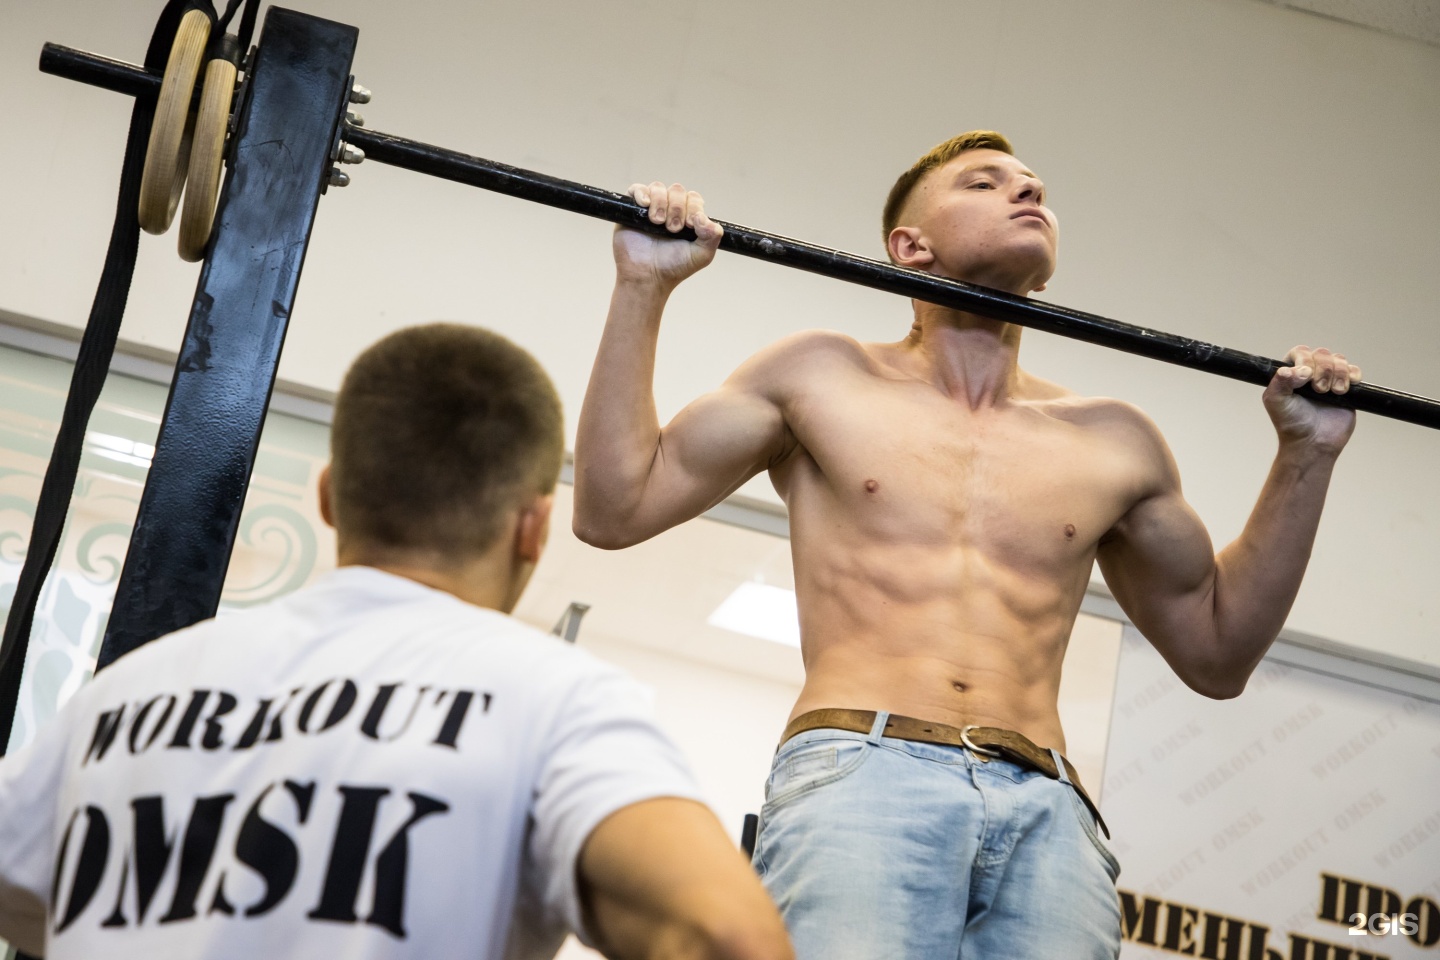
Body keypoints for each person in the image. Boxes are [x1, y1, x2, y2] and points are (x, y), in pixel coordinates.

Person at [572, 131, 1361, 959]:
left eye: (1034, 187)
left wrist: (1305, 455)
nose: (1028, 193)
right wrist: (643, 286)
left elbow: (1218, 653)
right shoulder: (818, 374)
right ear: (910, 247)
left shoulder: (1114, 438)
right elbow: (612, 509)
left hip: (1049, 808)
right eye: (985, 184)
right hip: (862, 773)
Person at [0, 324, 792, 960]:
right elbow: (726, 937)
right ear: (534, 527)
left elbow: (25, 904)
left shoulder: (119, 699)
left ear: (327, 497)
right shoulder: (552, 700)